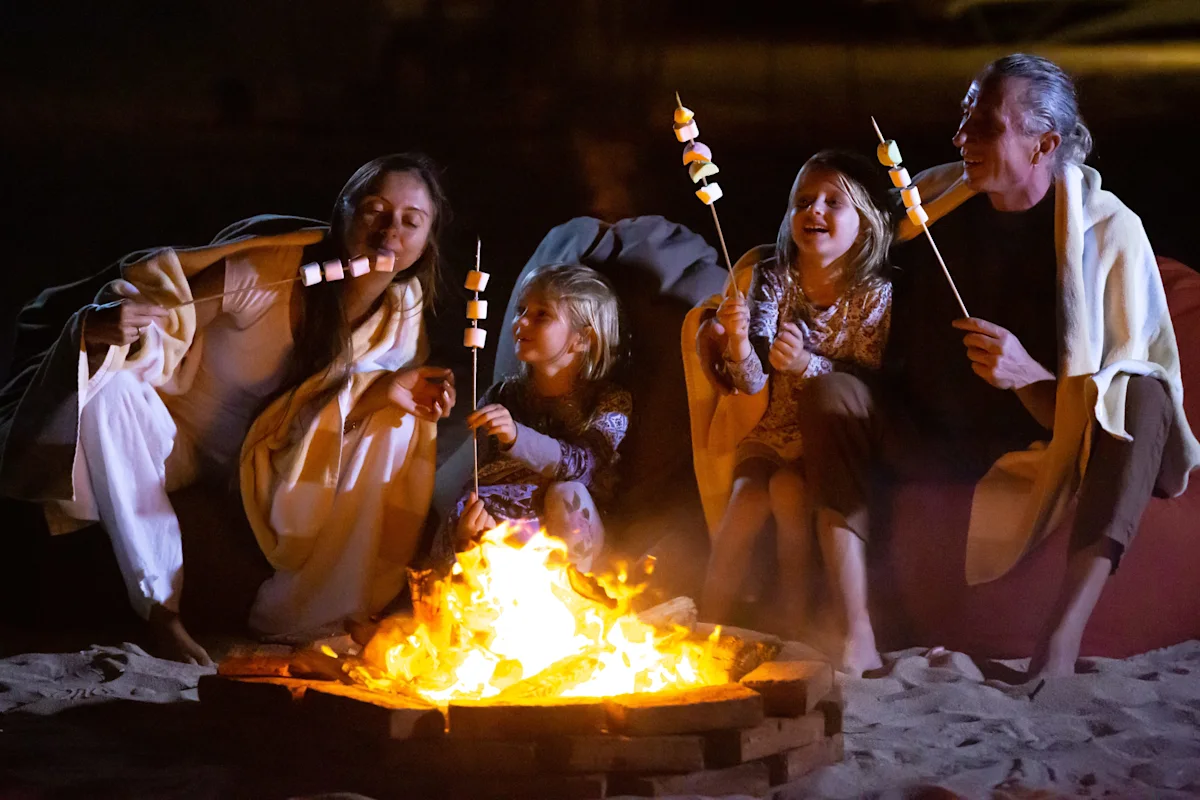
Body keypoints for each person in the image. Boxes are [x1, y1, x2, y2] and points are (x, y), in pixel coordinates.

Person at [805, 54, 1199, 679]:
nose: (960, 137)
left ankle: (1061, 640)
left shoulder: (1107, 231)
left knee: (1144, 395)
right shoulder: (931, 202)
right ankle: (855, 630)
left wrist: (1028, 376)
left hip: (1044, 440)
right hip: (925, 435)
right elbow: (833, 249)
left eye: (984, 125)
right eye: (964, 118)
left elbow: (1110, 392)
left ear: (1044, 143)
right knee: (834, 395)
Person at [0, 153, 456, 662]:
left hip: (269, 472)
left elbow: (334, 413)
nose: (390, 229)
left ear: (426, 242)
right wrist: (115, 328)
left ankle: (326, 609)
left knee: (398, 416)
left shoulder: (400, 317)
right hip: (162, 441)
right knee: (112, 389)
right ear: (341, 212)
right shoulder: (266, 272)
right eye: (374, 209)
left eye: (411, 221)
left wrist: (391, 393)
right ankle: (161, 612)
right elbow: (165, 323)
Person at [691, 150, 894, 674]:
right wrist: (738, 342)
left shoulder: (874, 293)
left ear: (866, 222)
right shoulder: (772, 278)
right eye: (804, 201)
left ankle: (794, 619)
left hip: (820, 439)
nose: (815, 211)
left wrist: (807, 363)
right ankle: (706, 624)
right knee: (745, 502)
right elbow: (752, 379)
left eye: (833, 202)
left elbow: (867, 374)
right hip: (767, 428)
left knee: (789, 494)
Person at [436, 263, 631, 573]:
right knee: (467, 510)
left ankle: (574, 602)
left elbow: (583, 465)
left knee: (568, 494)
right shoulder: (504, 395)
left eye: (542, 315)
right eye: (521, 309)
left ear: (582, 339)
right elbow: (475, 471)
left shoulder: (607, 402)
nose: (521, 322)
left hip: (561, 537)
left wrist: (518, 437)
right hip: (500, 536)